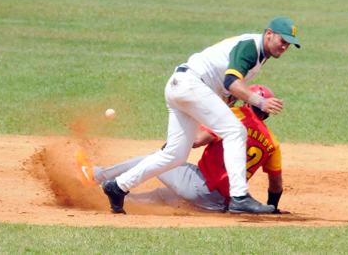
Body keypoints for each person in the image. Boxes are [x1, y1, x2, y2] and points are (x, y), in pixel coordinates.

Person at [100, 17, 300, 214]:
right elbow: (231, 81)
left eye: (288, 44)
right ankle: (240, 196)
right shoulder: (250, 47)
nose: (284, 46)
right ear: (268, 34)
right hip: (191, 84)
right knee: (235, 130)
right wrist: (261, 101)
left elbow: (225, 90)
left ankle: (117, 186)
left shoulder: (260, 55)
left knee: (174, 155)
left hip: (184, 86)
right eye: (282, 41)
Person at [76, 85, 289, 214]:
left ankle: (95, 175)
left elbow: (197, 140)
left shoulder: (238, 115)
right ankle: (97, 202)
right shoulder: (272, 143)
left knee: (157, 159)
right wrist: (272, 208)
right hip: (219, 204)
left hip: (200, 185)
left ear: (248, 102)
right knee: (160, 196)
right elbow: (276, 185)